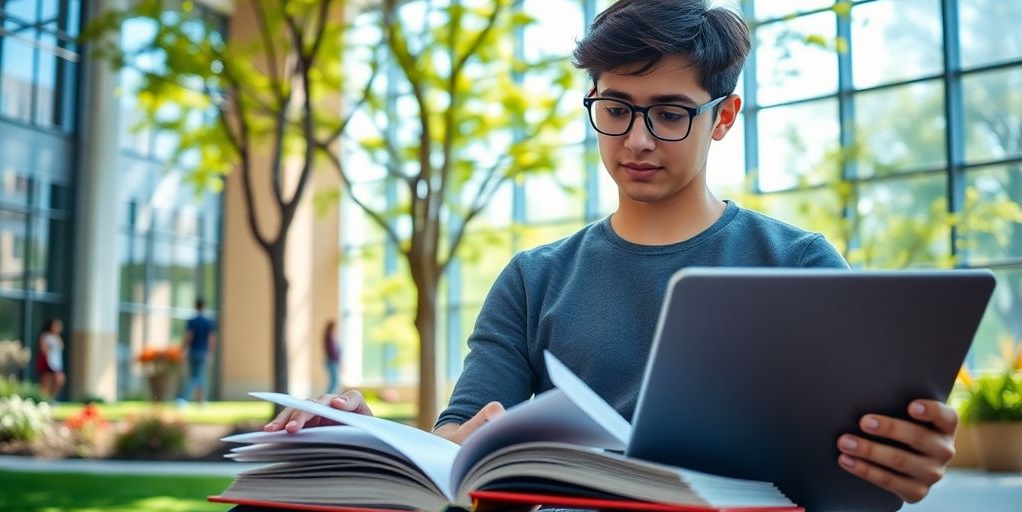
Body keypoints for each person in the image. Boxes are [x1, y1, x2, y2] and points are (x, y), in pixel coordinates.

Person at [267, 0, 958, 505]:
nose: (635, 139)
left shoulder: (801, 265)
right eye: (616, 107)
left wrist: (906, 457)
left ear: (723, 117)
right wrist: (364, 439)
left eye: (668, 112)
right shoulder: (533, 279)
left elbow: (864, 458)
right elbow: (462, 447)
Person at [176, 297, 216, 406]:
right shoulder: (208, 322)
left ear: (195, 306)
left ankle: (184, 398)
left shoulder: (192, 321)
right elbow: (211, 339)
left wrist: (182, 349)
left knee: (196, 376)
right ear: (204, 306)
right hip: (203, 352)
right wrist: (210, 352)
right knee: (199, 376)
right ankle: (200, 401)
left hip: (193, 352)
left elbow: (189, 337)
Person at [35, 318, 65, 400]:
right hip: (48, 362)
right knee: (46, 383)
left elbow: (61, 348)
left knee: (59, 380)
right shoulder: (45, 336)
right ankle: (43, 399)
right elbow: (44, 349)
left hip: (56, 363)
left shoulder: (57, 337)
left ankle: (51, 398)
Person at [323, 319, 341, 394]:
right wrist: (338, 360)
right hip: (332, 361)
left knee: (334, 381)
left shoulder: (331, 336)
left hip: (332, 361)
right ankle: (329, 397)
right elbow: (332, 352)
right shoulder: (329, 337)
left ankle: (330, 396)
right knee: (334, 381)